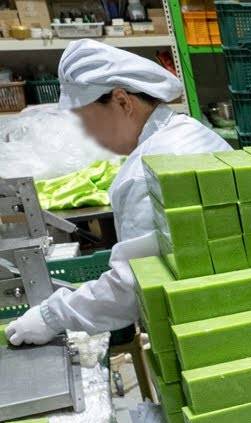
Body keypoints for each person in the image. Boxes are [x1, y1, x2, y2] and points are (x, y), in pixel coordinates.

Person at [5, 39, 230, 346]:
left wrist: (50, 317)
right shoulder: (190, 131)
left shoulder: (146, 171)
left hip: (205, 327)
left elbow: (135, 284)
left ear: (123, 102)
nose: (88, 136)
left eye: (88, 122)